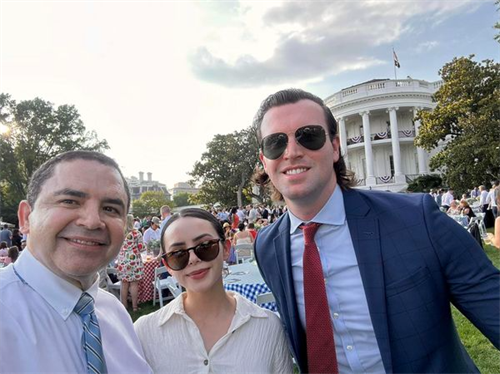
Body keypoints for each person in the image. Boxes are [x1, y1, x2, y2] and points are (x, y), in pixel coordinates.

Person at [252, 88, 500, 374]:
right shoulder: (268, 246)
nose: (292, 152)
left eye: (309, 136)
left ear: (334, 147)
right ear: (264, 161)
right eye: (276, 143)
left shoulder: (417, 218)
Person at [0, 150, 152, 374]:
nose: (92, 222)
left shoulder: (114, 311)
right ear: (26, 218)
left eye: (110, 209)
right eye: (69, 201)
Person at [134, 208, 293, 373]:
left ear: (225, 249)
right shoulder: (145, 333)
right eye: (178, 254)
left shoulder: (267, 326)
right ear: (168, 265)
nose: (194, 259)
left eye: (205, 246)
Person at [117, 214, 145, 311]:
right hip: (134, 261)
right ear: (132, 221)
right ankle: (135, 307)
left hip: (122, 261)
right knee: (134, 284)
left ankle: (124, 307)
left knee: (124, 284)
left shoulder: (120, 233)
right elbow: (142, 248)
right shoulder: (136, 233)